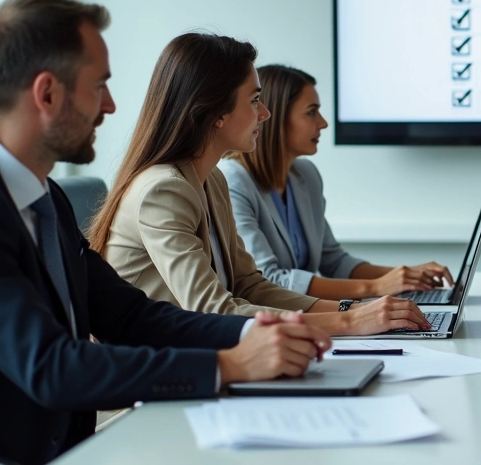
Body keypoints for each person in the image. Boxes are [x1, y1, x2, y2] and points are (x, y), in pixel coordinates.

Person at [0, 0, 331, 465]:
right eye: (99, 85)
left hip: (63, 456)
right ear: (47, 94)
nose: (110, 105)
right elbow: (51, 366)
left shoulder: (43, 197)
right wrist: (229, 364)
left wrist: (257, 331)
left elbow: (132, 317)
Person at [89, 33, 430, 335]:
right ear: (216, 113)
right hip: (151, 376)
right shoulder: (163, 191)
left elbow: (249, 286)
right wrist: (350, 322)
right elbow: (213, 311)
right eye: (254, 100)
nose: (264, 113)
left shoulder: (212, 180)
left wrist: (351, 311)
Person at [217, 65, 453, 300]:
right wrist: (375, 288)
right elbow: (268, 279)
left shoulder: (305, 175)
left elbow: (335, 261)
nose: (323, 123)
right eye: (311, 112)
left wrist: (407, 276)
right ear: (276, 118)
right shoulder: (232, 181)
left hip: (304, 312)